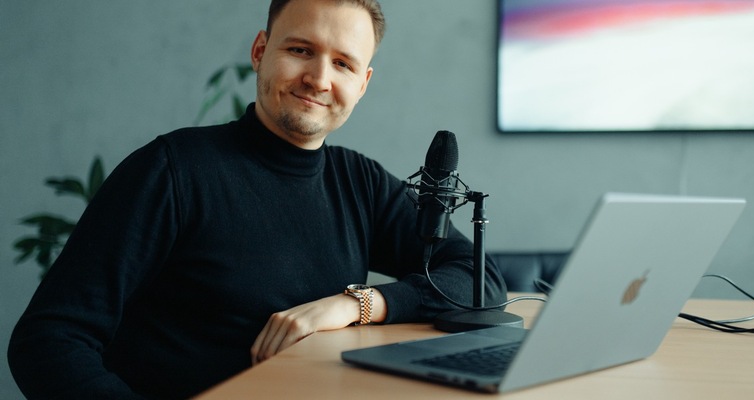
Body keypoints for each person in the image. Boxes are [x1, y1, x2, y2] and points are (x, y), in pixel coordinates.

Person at [7, 0, 508, 398]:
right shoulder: (171, 171)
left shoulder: (360, 181)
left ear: (363, 84)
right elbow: (48, 342)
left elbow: (480, 277)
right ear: (259, 50)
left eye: (342, 63)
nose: (319, 78)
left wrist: (359, 303)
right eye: (300, 50)